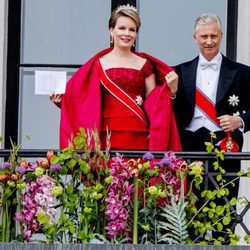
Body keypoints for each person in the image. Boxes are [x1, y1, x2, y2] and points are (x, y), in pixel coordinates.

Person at [50, 4, 181, 151]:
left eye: (132, 30)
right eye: (122, 28)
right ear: (111, 30)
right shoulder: (97, 64)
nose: (127, 33)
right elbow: (84, 100)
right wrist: (62, 103)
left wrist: (171, 92)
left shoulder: (146, 64)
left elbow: (154, 104)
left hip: (138, 136)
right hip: (106, 138)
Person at [173, 13, 250, 238]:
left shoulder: (242, 73)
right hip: (189, 147)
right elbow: (168, 112)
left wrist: (240, 120)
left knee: (224, 212)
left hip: (225, 148)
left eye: (214, 36)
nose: (209, 41)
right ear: (195, 37)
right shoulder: (179, 72)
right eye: (204, 36)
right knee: (187, 213)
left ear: (221, 37)